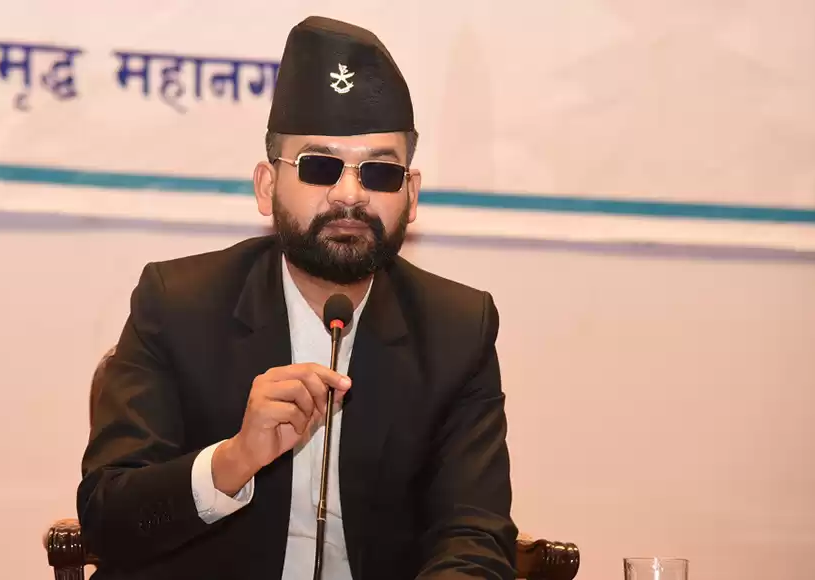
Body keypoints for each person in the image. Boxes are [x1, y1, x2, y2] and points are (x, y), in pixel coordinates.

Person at [77, 15, 518, 580]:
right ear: (267, 186)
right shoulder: (179, 304)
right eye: (320, 167)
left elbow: (475, 534)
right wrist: (234, 459)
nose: (350, 194)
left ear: (411, 195)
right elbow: (106, 517)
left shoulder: (457, 328)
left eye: (380, 172)